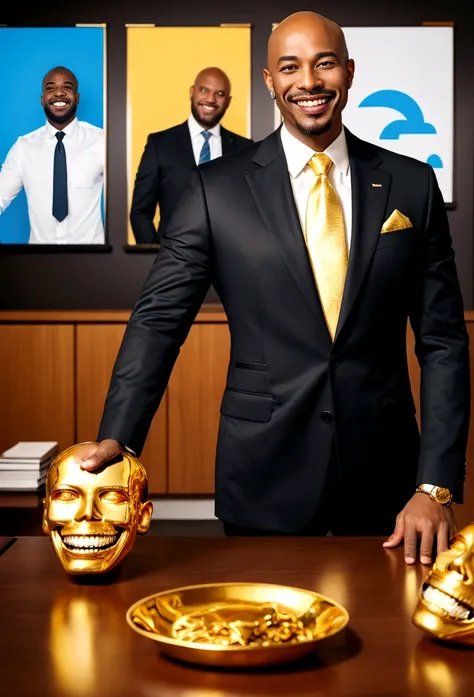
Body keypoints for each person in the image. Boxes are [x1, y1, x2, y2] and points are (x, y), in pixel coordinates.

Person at [80, 12, 470, 565]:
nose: (307, 81)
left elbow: (444, 342)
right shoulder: (212, 190)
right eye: (290, 67)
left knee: (394, 642)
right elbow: (159, 322)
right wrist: (119, 435)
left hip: (391, 485)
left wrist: (434, 486)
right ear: (269, 82)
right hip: (264, 475)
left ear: (350, 72)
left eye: (324, 63)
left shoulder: (412, 184)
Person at [129, 66, 253, 244]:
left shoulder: (245, 149)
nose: (210, 99)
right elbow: (140, 212)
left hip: (229, 264)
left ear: (228, 101)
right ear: (192, 92)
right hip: (174, 260)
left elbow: (250, 212)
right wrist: (155, 256)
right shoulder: (160, 144)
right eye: (204, 90)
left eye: (219, 94)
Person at [0, 66, 105, 245]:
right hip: (38, 262)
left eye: (67, 87)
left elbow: (124, 197)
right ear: (42, 100)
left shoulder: (102, 141)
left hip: (92, 259)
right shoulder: (23, 148)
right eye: (50, 88)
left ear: (77, 97)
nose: (59, 93)